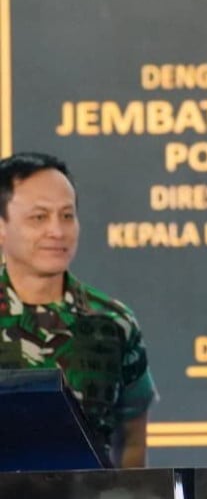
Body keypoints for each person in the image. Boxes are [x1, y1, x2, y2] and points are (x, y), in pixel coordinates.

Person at [0, 152, 156, 468]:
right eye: (39, 217)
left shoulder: (112, 322)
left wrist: (124, 497)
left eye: (67, 216)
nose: (57, 231)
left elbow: (132, 442)